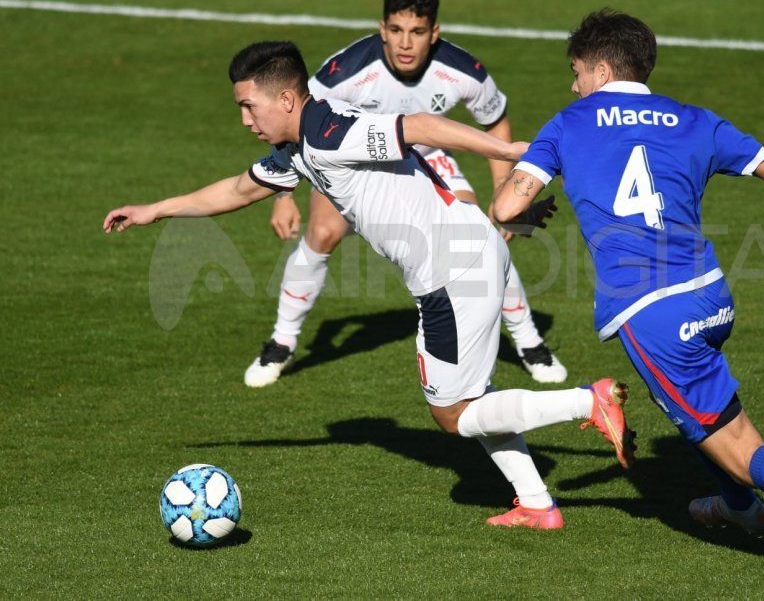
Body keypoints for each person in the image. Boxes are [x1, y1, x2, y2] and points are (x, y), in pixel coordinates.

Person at [103, 41, 635, 529]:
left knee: (453, 416)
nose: (244, 119)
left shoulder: (328, 132)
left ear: (286, 99)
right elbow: (241, 189)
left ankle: (587, 402)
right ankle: (538, 504)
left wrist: (509, 151)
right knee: (473, 396)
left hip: (451, 273)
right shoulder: (300, 146)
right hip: (471, 251)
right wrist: (157, 210)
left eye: (249, 106)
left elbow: (422, 125)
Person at [492, 10, 764, 562]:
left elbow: (506, 206)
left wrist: (528, 211)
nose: (573, 83)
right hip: (709, 295)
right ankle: (738, 507)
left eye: (577, 71)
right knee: (697, 415)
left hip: (651, 314)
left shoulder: (569, 123)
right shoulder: (694, 120)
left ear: (602, 71)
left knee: (742, 452)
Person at [250, 0, 566, 388]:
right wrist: (283, 197)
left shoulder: (461, 70)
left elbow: (494, 120)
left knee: (479, 237)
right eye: (396, 30)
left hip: (427, 158)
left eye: (417, 32)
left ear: (433, 33)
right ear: (382, 28)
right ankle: (282, 343)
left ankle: (529, 343)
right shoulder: (345, 69)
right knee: (322, 233)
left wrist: (504, 193)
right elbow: (290, 123)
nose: (405, 43)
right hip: (348, 162)